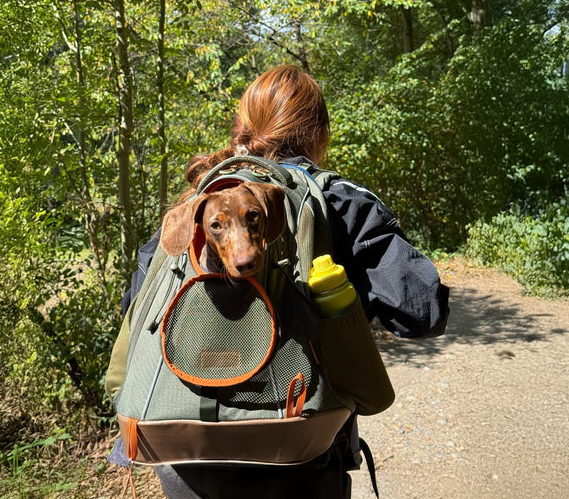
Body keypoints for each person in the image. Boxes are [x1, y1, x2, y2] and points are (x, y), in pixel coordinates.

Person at [122, 64, 450, 499]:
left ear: (241, 126)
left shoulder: (199, 203)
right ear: (317, 134)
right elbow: (423, 311)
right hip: (302, 453)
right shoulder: (337, 200)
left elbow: (135, 308)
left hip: (186, 457)